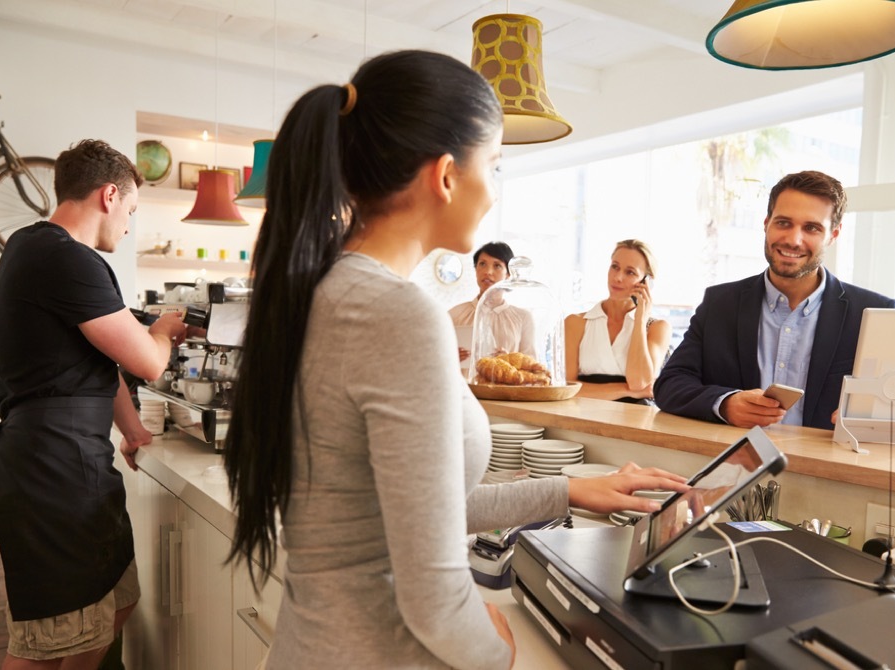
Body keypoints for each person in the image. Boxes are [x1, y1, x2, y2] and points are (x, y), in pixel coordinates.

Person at [223, 50, 688, 670]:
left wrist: (571, 489)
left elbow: (411, 507)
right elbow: (434, 592)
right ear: (446, 175)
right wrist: (496, 652)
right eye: (493, 166)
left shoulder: (328, 288)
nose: (494, 192)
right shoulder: (397, 314)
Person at [0, 139, 188, 669]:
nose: (128, 226)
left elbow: (96, 368)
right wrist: (164, 330)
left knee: (115, 605)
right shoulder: (65, 257)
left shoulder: (30, 246)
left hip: (71, 460)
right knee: (46, 641)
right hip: (52, 471)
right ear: (109, 195)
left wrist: (132, 430)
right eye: (130, 211)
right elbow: (148, 363)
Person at [654, 170, 895, 430]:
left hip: (826, 468)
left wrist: (875, 418)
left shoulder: (874, 313)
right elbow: (670, 384)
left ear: (833, 235)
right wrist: (725, 404)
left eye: (811, 228)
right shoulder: (720, 304)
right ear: (766, 223)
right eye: (783, 223)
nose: (793, 239)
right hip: (737, 463)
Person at [564, 239, 672, 404]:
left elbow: (640, 383)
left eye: (630, 272)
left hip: (633, 423)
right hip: (581, 418)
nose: (618, 277)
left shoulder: (657, 328)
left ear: (646, 282)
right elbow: (566, 389)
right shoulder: (576, 323)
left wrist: (640, 320)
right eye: (615, 267)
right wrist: (625, 390)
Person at [449, 241, 536, 362]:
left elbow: (532, 367)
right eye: (482, 264)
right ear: (475, 270)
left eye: (497, 266)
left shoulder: (523, 318)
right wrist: (450, 358)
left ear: (508, 274)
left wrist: (511, 361)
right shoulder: (453, 315)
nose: (488, 272)